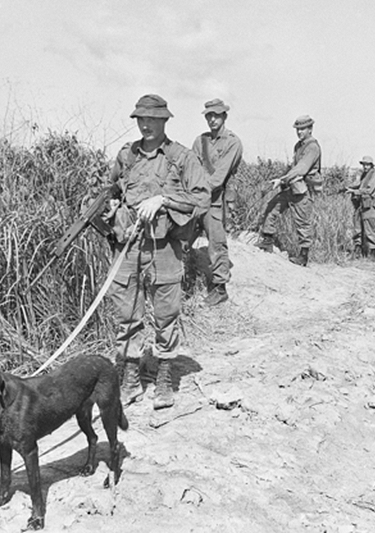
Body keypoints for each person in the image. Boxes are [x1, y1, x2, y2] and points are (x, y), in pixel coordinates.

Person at [104, 94, 209, 410]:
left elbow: (201, 199)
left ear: (165, 121)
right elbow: (112, 188)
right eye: (141, 119)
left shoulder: (182, 157)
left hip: (164, 247)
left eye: (152, 119)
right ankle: (132, 378)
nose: (146, 125)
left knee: (166, 315)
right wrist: (112, 206)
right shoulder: (128, 156)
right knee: (126, 314)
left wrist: (163, 200)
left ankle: (164, 378)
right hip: (129, 247)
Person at [191, 98, 244, 306]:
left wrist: (197, 191)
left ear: (224, 117)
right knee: (182, 238)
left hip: (215, 199)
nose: (212, 119)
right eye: (209, 116)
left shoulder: (233, 142)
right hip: (196, 199)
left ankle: (220, 288)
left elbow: (219, 177)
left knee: (216, 244)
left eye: (216, 115)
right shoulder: (200, 141)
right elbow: (191, 167)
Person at [255, 114, 322, 266]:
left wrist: (282, 180)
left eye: (303, 129)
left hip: (303, 189)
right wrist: (283, 179)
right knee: (272, 207)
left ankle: (303, 256)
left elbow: (301, 169)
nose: (299, 132)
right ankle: (267, 240)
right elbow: (294, 167)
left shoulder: (312, 147)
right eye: (298, 129)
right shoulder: (299, 146)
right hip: (293, 186)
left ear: (310, 129)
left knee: (302, 222)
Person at [346, 155, 375, 260]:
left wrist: (354, 191)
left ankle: (372, 253)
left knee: (370, 230)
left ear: (371, 165)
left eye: (367, 164)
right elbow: (358, 185)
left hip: (369, 206)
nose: (365, 167)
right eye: (364, 164)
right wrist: (349, 187)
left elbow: (368, 190)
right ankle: (357, 251)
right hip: (360, 205)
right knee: (357, 229)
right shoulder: (364, 175)